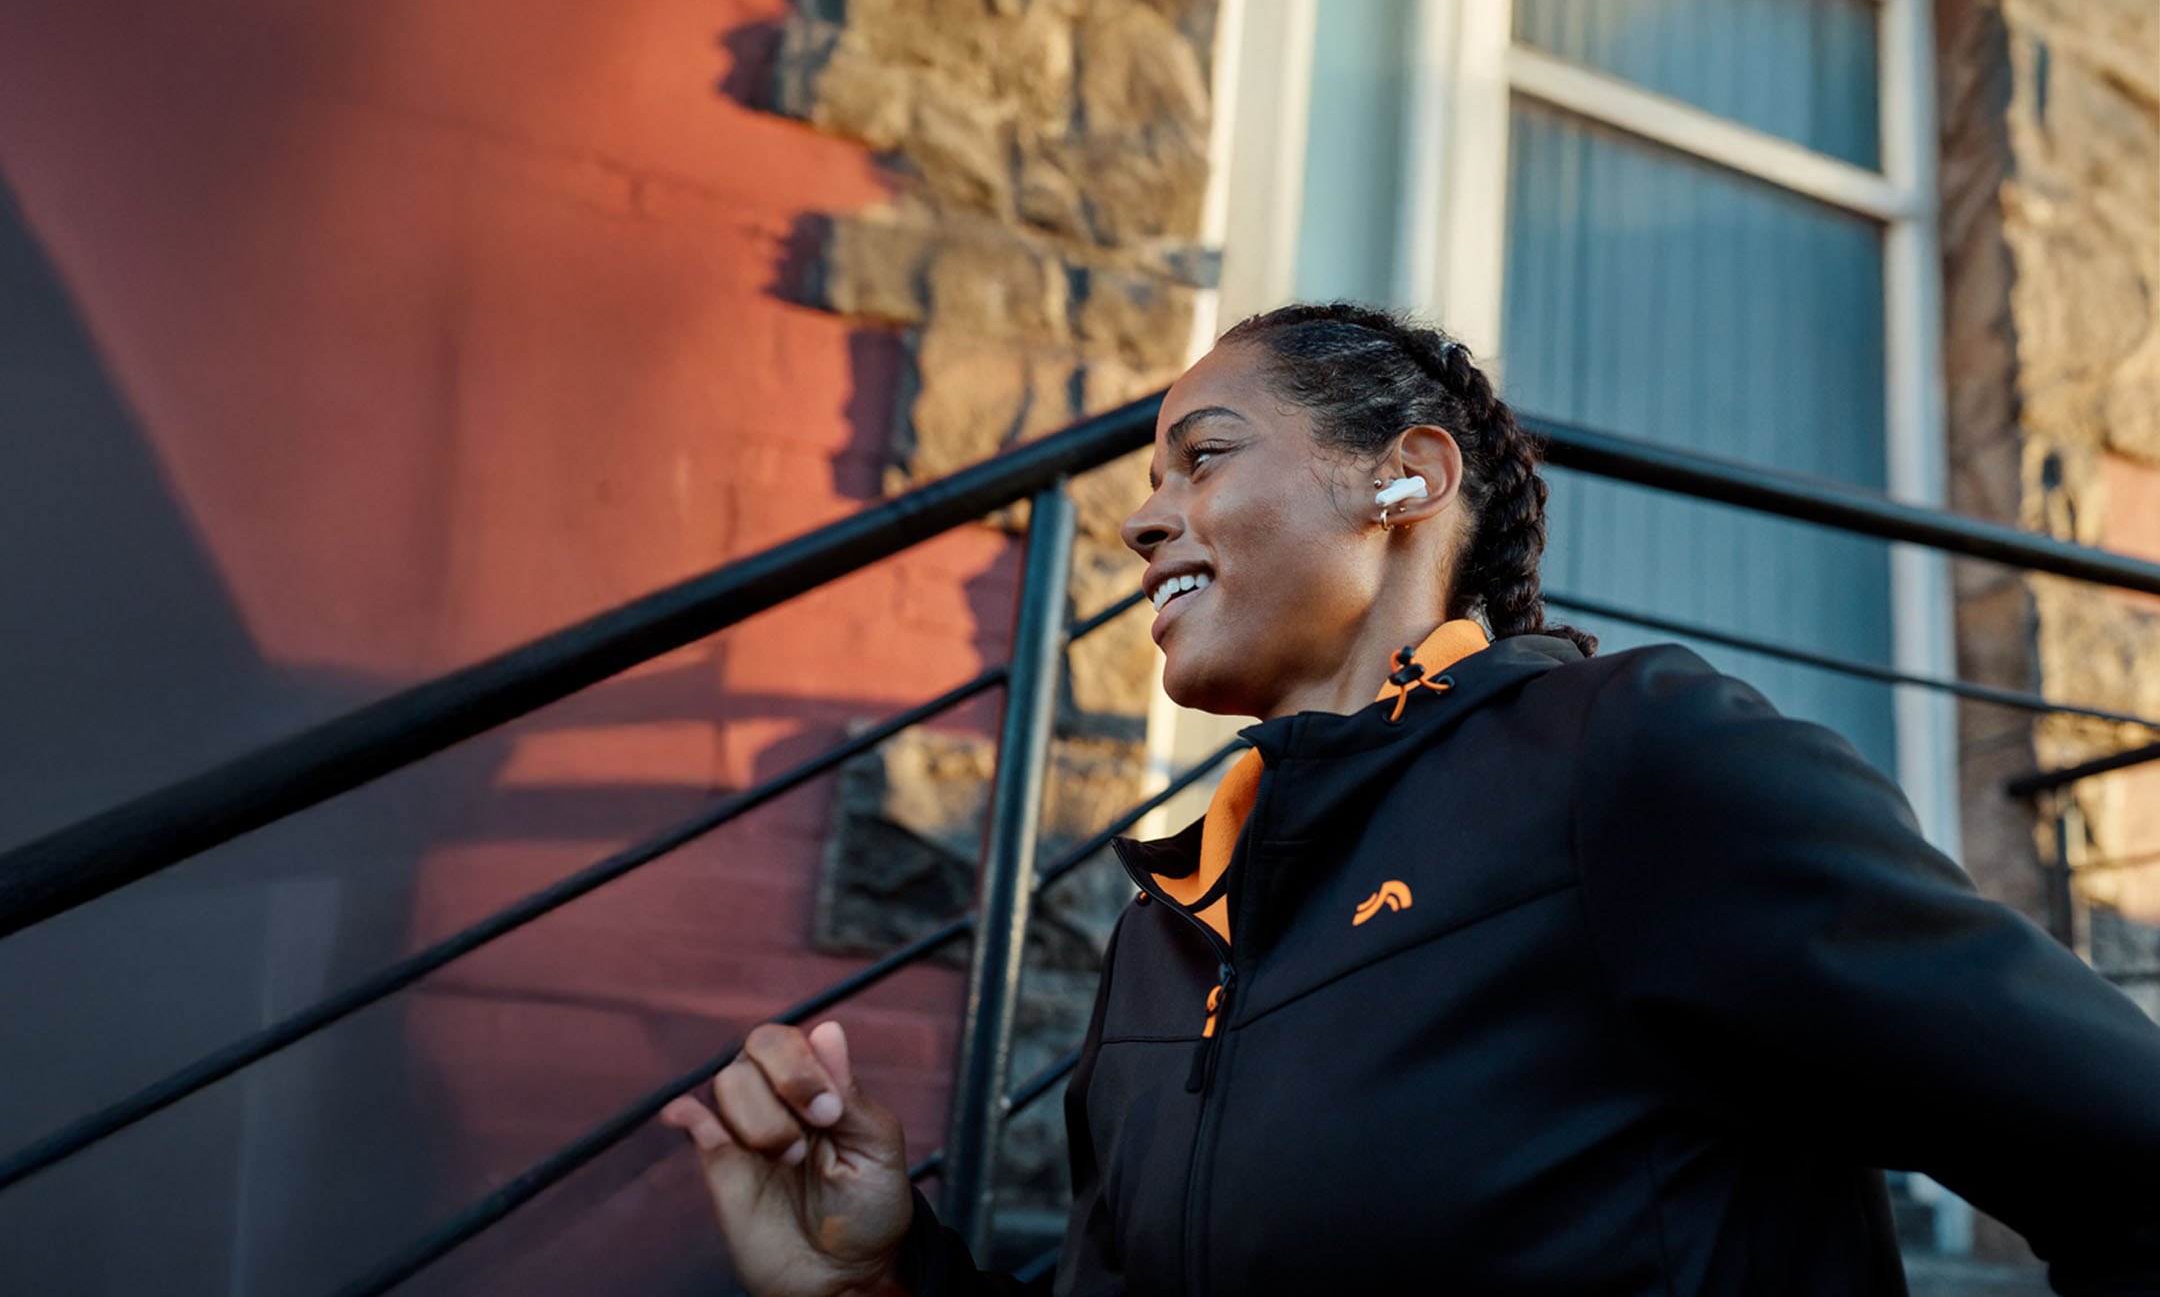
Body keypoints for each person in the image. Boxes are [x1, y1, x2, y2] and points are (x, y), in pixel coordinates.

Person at [661, 303, 2160, 1295]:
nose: (1139, 516)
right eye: (1148, 475)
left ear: (1404, 483)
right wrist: (891, 1271)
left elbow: (2116, 1143)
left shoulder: (1631, 762)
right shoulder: (1166, 929)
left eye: (1205, 453)